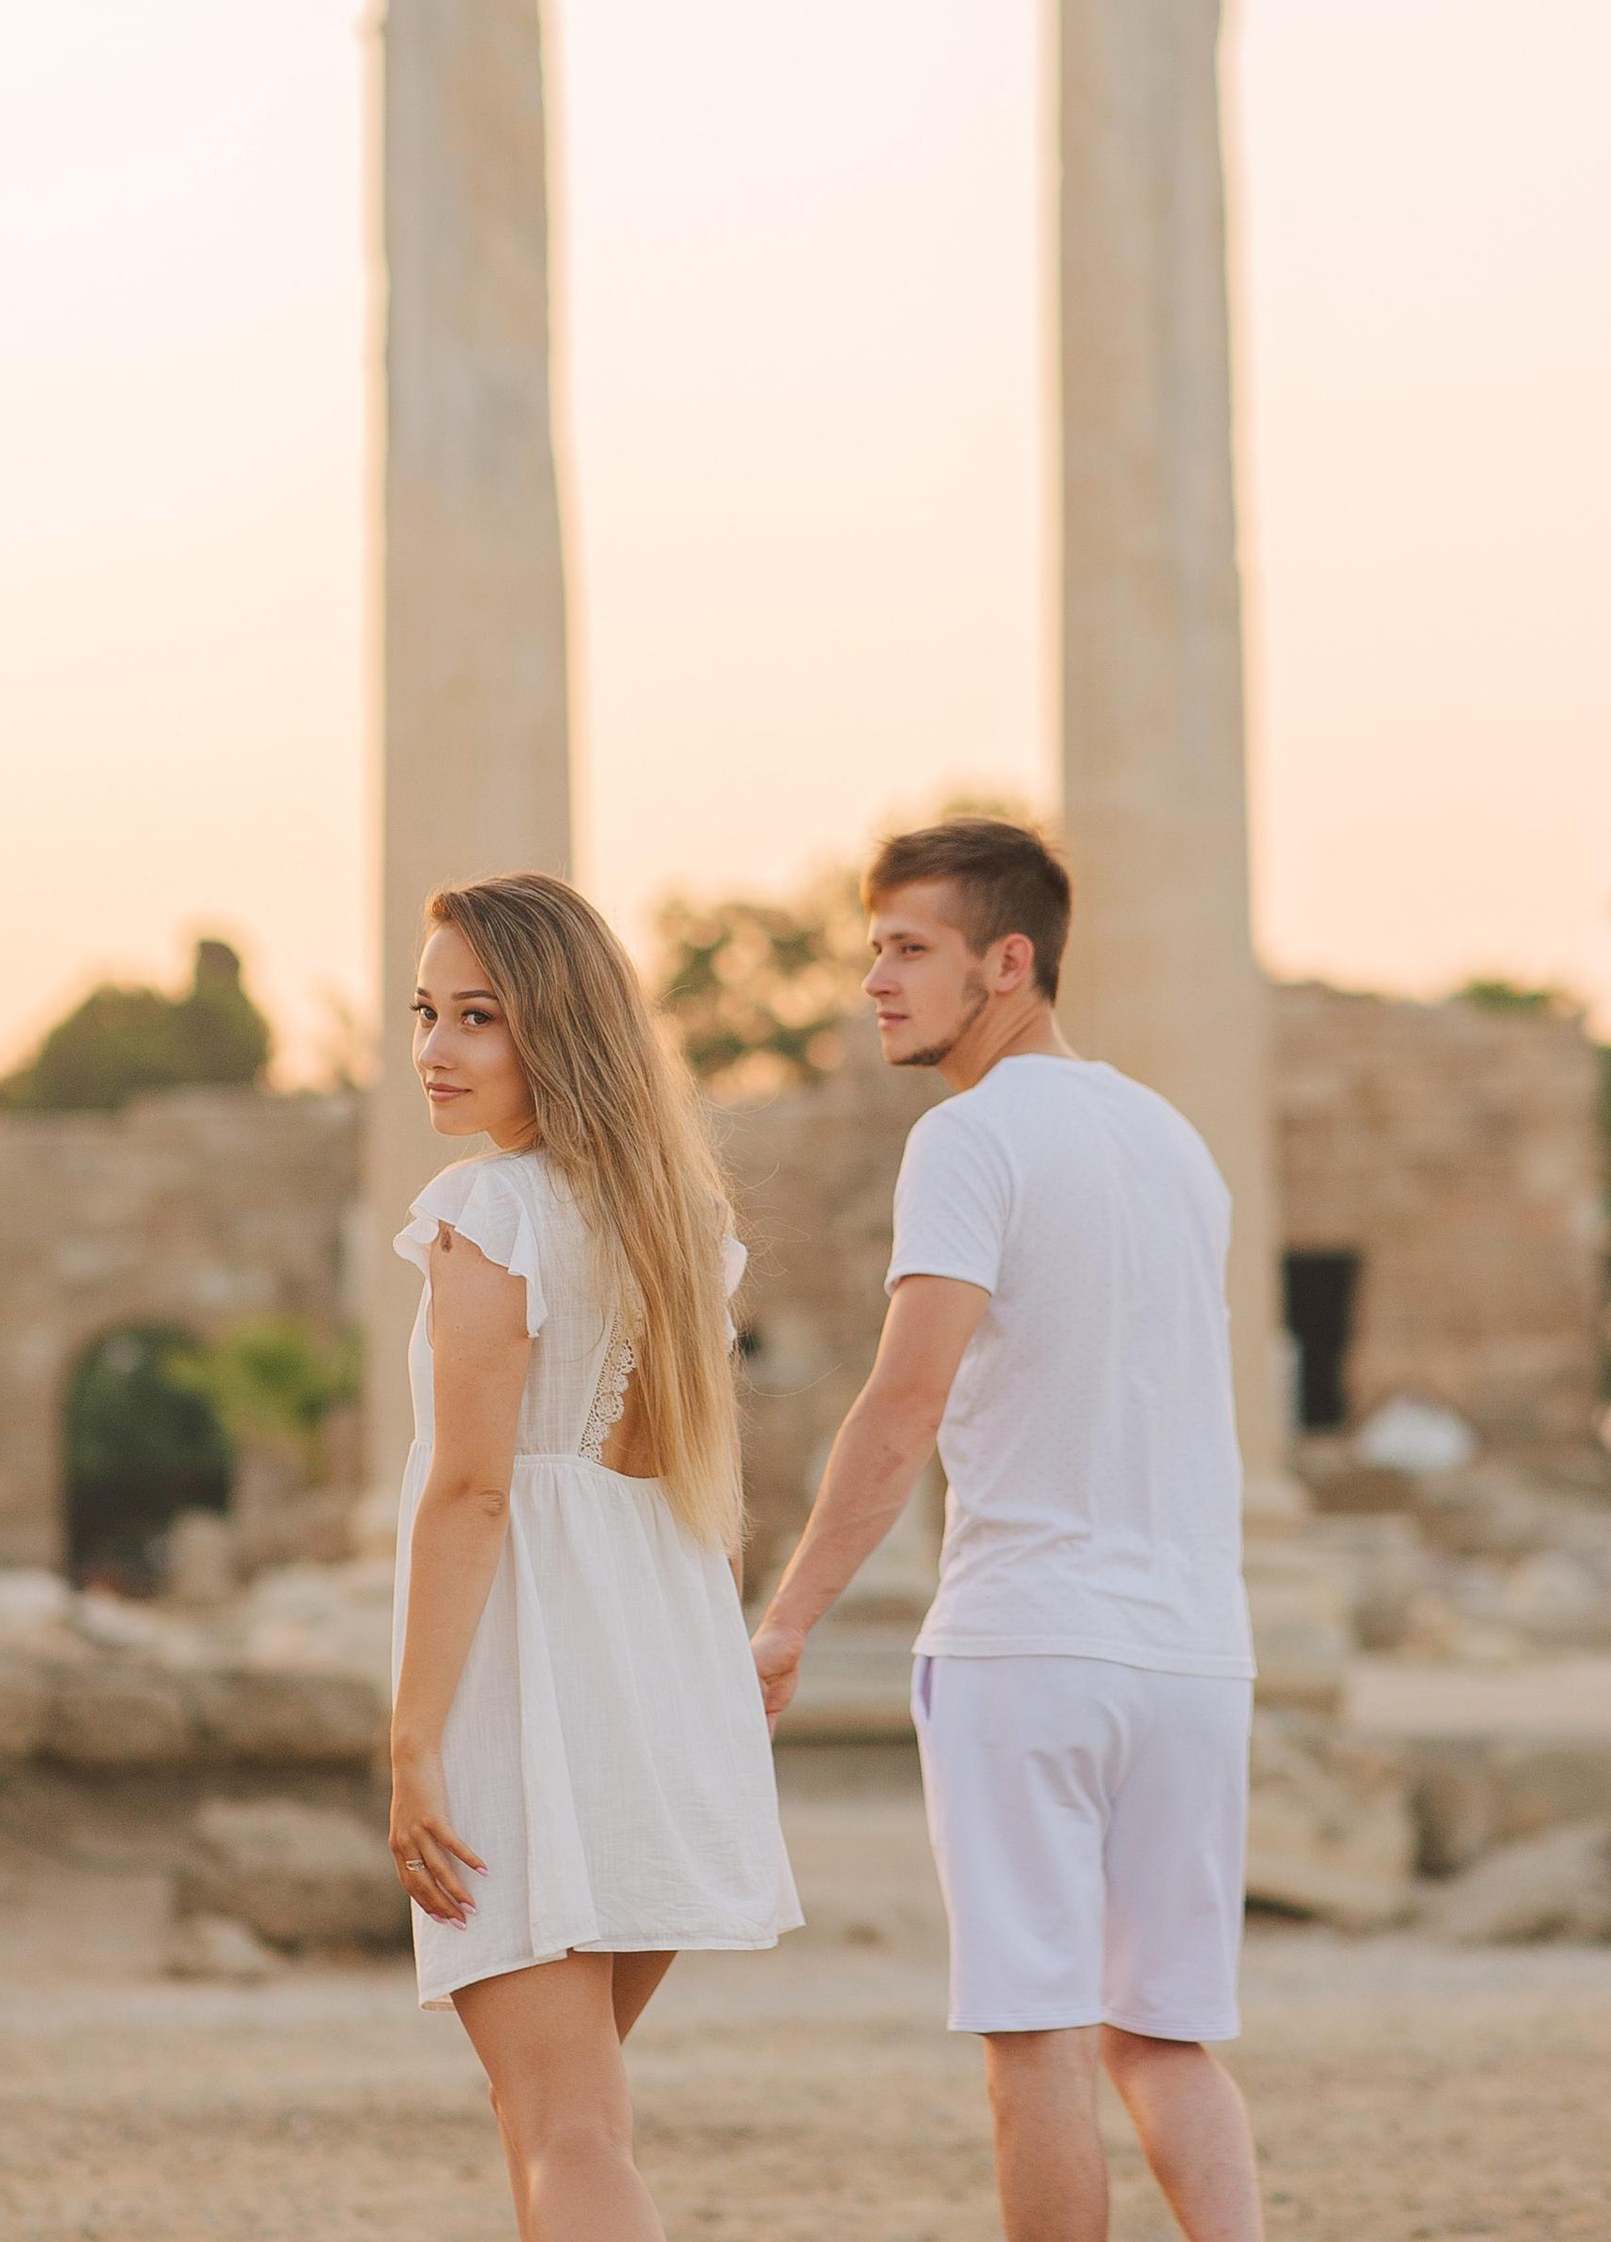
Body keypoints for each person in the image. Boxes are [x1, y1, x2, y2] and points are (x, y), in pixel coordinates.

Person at [752, 817, 1265, 2242]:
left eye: (910, 950)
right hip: (1195, 1656)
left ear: (1011, 962)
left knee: (1034, 2039)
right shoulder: (1177, 1142)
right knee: (1164, 2038)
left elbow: (903, 1404)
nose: (876, 981)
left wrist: (788, 1619)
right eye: (874, 951)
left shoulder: (967, 1139)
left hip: (1029, 1645)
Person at [386, 871, 801, 2242]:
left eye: (479, 1019)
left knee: (568, 2125)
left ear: (555, 1031)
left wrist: (413, 1741)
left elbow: (471, 1492)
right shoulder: (677, 1224)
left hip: (536, 1686)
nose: (436, 1050)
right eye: (426, 1012)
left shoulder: (486, 1207)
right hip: (662, 1685)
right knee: (558, 2114)